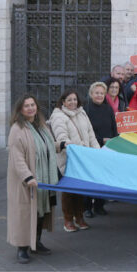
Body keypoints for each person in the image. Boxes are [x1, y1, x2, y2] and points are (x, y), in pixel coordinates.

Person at [7, 95, 58, 263]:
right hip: (26, 182)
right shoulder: (17, 129)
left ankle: (36, 242)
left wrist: (61, 145)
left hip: (43, 178)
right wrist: (28, 177)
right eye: (26, 106)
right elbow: (17, 158)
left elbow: (46, 145)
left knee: (40, 211)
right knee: (25, 214)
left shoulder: (41, 125)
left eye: (32, 105)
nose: (30, 108)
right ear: (20, 110)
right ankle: (22, 248)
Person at [48, 90, 100, 233]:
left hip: (84, 158)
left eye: (75, 99)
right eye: (69, 100)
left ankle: (79, 217)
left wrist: (97, 151)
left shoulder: (82, 113)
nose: (73, 102)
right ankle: (68, 220)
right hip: (69, 158)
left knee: (80, 189)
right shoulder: (58, 116)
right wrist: (76, 150)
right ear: (63, 102)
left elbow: (91, 134)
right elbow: (62, 137)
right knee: (69, 190)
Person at [83, 82, 117, 218]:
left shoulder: (108, 109)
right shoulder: (86, 110)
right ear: (91, 94)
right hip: (92, 148)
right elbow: (85, 131)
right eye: (96, 93)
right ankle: (87, 207)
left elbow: (114, 127)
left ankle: (99, 205)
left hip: (106, 149)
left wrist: (114, 141)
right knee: (90, 178)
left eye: (102, 93)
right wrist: (101, 139)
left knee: (103, 177)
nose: (99, 95)